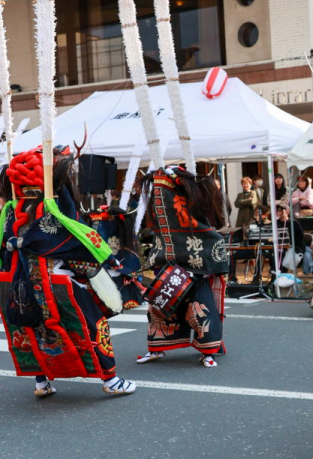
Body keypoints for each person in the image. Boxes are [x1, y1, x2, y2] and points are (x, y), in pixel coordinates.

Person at [0, 148, 136, 398]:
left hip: (17, 281)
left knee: (31, 328)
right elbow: (77, 247)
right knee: (93, 325)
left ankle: (41, 383)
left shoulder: (10, 211)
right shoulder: (53, 210)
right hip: (55, 282)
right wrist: (108, 268)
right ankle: (111, 380)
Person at [136, 165, 229, 367]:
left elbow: (212, 235)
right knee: (158, 309)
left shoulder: (191, 205)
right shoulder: (161, 215)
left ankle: (209, 351)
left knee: (200, 308)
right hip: (168, 267)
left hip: (195, 269)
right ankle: (157, 349)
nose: (158, 197)